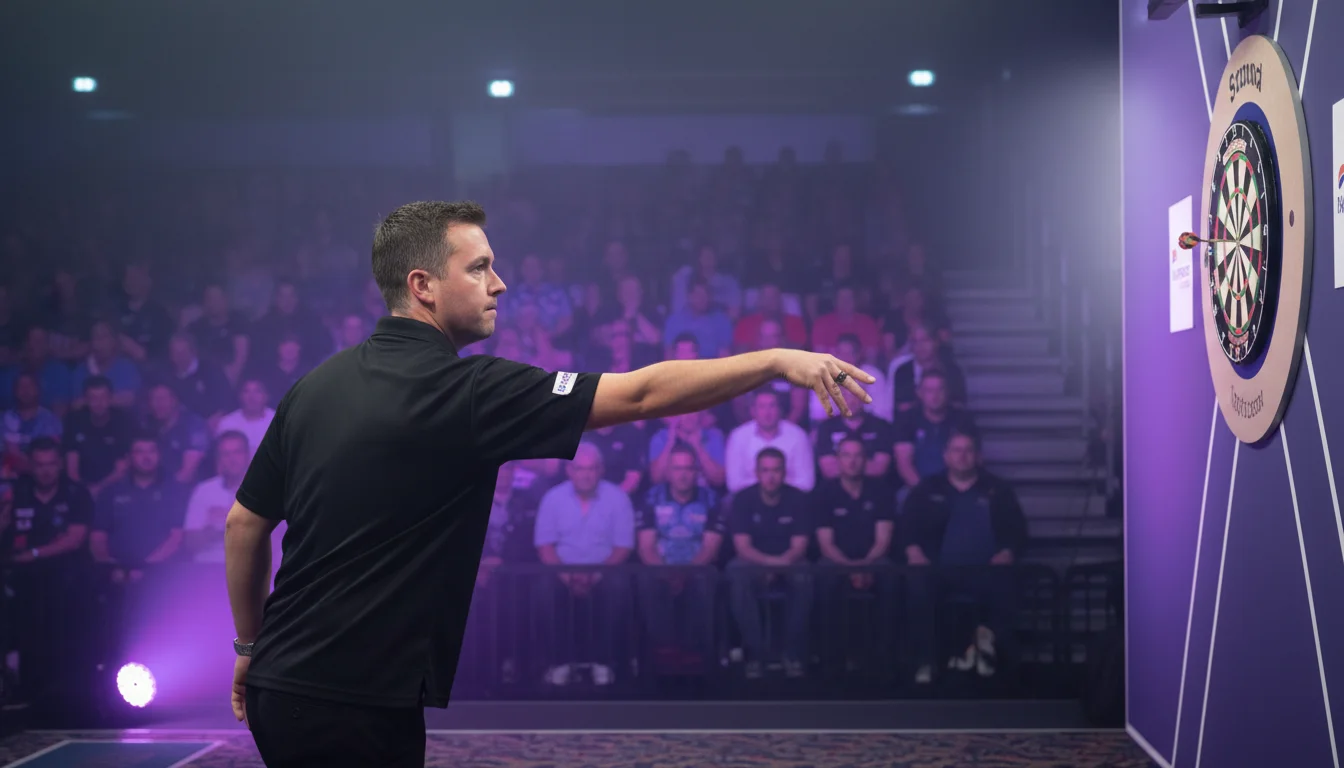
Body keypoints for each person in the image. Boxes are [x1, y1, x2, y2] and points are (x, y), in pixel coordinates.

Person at [225, 200, 873, 767]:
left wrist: (250, 645)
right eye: (479, 268)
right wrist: (777, 360)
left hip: (283, 686)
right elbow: (641, 394)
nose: (499, 284)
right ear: (422, 285)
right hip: (353, 700)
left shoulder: (312, 387)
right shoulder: (469, 392)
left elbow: (244, 524)